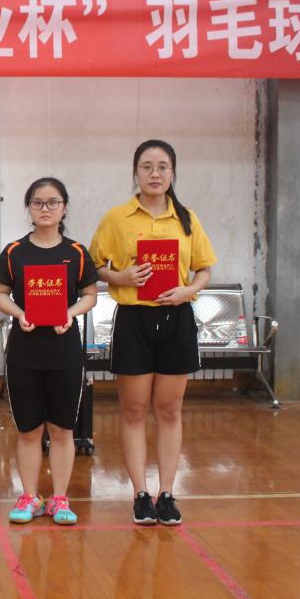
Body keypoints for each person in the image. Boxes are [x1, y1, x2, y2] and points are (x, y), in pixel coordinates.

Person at [89, 139, 217, 526]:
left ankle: (167, 493)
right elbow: (95, 266)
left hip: (177, 320)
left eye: (162, 166)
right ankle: (140, 494)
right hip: (134, 320)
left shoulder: (187, 219)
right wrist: (121, 276)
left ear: (173, 172)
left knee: (169, 409)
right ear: (135, 172)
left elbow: (204, 269)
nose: (155, 173)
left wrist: (188, 291)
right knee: (133, 409)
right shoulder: (117, 218)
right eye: (147, 166)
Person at [0, 177, 98, 525]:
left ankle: (60, 498)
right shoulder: (14, 252)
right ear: (29, 207)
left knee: (63, 430)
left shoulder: (77, 253)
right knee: (29, 431)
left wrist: (70, 313)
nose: (45, 208)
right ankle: (29, 496)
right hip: (24, 352)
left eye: (53, 202)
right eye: (37, 202)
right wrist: (19, 313)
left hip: (65, 352)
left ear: (64, 207)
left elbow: (90, 295)